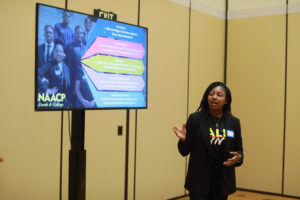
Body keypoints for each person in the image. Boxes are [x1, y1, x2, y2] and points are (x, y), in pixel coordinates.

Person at [172, 82, 243, 200]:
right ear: (207, 97)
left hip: (222, 181)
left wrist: (238, 157)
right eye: (211, 94)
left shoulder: (234, 122)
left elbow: (239, 150)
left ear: (226, 100)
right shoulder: (195, 119)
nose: (214, 97)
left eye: (219, 95)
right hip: (199, 180)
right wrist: (184, 140)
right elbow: (184, 151)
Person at [66, 26, 95, 108]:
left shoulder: (85, 47)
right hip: (76, 86)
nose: (80, 35)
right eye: (78, 32)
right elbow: (69, 68)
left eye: (81, 33)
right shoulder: (70, 47)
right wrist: (72, 88)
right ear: (75, 34)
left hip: (85, 86)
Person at [38, 41, 71, 108]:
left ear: (63, 54)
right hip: (53, 101)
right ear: (53, 53)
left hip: (64, 100)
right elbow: (37, 74)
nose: (58, 53)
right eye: (56, 51)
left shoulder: (66, 68)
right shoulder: (50, 65)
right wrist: (46, 89)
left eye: (60, 51)